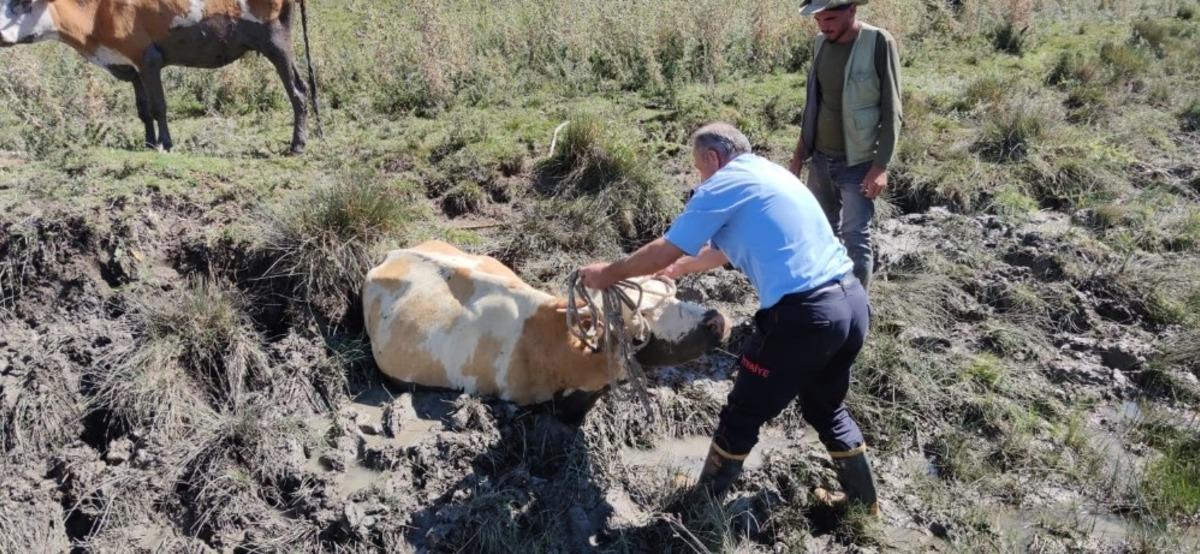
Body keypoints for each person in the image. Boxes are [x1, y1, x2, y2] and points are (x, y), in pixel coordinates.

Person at [579, 122, 879, 515]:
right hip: (851, 304)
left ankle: (703, 505)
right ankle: (863, 504)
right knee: (826, 408)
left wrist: (609, 274)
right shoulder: (768, 174)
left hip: (804, 316)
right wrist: (677, 271)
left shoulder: (721, 185)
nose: (698, 177)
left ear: (713, 157)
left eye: (698, 168)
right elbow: (719, 252)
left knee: (742, 411)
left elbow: (665, 247)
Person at [789, 0, 902, 290]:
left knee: (855, 238)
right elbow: (813, 104)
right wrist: (799, 156)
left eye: (831, 18)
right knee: (821, 232)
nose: (824, 25)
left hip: (859, 162)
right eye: (819, 20)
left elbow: (892, 108)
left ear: (852, 10)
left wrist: (880, 166)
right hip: (821, 159)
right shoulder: (820, 45)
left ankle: (858, 308)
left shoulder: (878, 42)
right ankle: (830, 299)